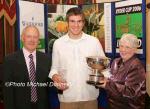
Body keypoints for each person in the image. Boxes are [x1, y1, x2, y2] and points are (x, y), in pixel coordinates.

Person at [49, 7, 105, 109]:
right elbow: (54, 69)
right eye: (72, 21)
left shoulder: (94, 42)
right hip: (67, 99)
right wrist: (55, 77)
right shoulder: (58, 43)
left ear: (83, 23)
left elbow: (104, 66)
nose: (76, 25)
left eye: (79, 21)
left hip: (90, 98)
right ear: (67, 22)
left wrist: (105, 77)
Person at [3, 25, 51, 109]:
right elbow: (7, 91)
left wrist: (59, 85)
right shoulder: (9, 60)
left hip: (42, 106)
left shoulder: (46, 59)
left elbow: (49, 83)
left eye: (35, 37)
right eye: (29, 36)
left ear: (38, 40)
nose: (32, 40)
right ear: (22, 38)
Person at [97, 33, 146, 109]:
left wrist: (107, 85)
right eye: (121, 46)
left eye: (127, 47)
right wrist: (103, 78)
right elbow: (112, 80)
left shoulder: (136, 66)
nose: (123, 50)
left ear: (135, 49)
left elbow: (130, 92)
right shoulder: (116, 61)